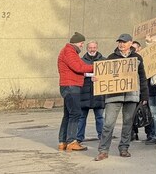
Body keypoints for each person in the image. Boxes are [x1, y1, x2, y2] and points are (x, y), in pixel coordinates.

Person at [95, 33, 148, 161]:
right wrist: (98, 78)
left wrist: (144, 95)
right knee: (108, 123)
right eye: (119, 42)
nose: (121, 44)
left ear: (130, 43)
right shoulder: (111, 57)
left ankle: (124, 148)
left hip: (131, 96)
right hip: (113, 96)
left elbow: (142, 77)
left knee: (128, 123)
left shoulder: (137, 58)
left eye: (124, 42)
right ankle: (103, 150)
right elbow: (105, 75)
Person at [57, 32, 94, 151]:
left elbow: (81, 66)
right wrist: (96, 67)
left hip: (68, 86)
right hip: (71, 86)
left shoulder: (69, 51)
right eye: (82, 43)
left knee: (68, 115)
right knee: (75, 113)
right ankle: (72, 141)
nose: (82, 45)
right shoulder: (69, 52)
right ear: (76, 42)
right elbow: (79, 67)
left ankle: (63, 141)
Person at [77, 41, 104, 144]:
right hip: (84, 93)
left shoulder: (103, 60)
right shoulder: (81, 61)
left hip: (99, 94)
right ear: (87, 48)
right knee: (82, 117)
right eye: (90, 47)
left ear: (97, 48)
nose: (92, 49)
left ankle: (102, 136)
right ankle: (79, 137)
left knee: (100, 117)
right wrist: (89, 76)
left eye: (94, 47)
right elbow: (79, 73)